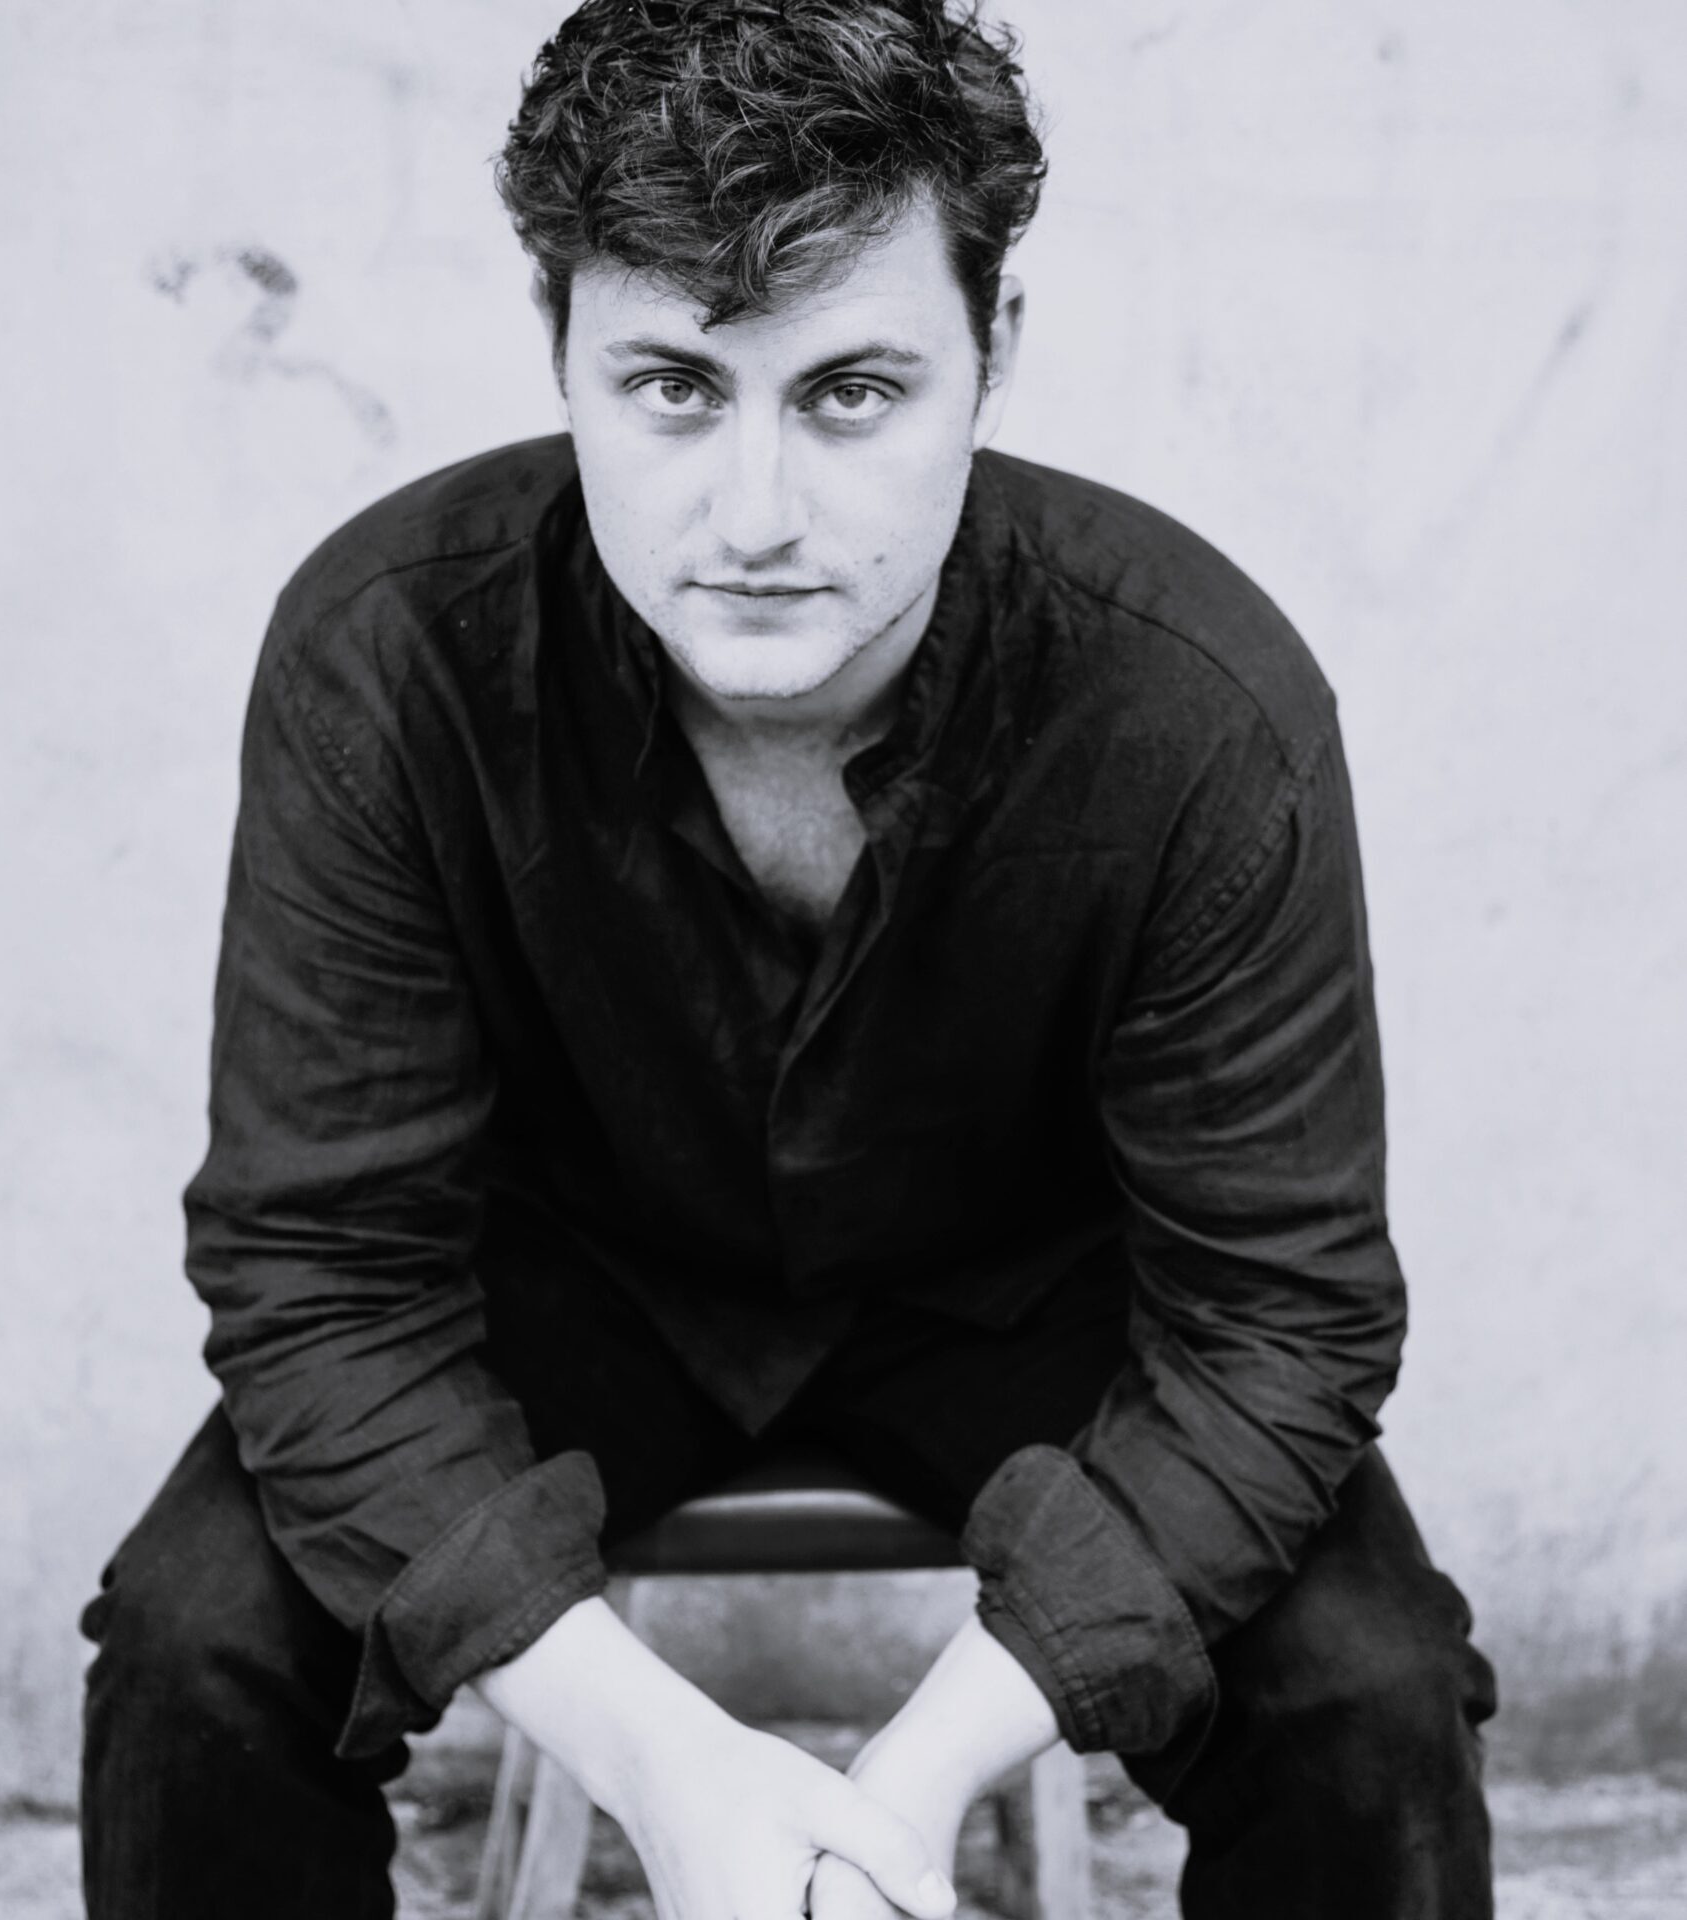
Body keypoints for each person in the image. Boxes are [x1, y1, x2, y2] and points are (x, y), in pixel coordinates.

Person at [79, 2, 1498, 1915]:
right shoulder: (388, 657)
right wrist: (669, 1772)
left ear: (994, 353)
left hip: (1022, 1299)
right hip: (573, 1280)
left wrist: (903, 1791)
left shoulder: (1199, 710)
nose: (754, 517)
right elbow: (320, 1277)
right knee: (195, 1651)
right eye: (674, 385)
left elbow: (1283, 1323)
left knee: (1369, 1695)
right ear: (558, 345)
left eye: (850, 392)